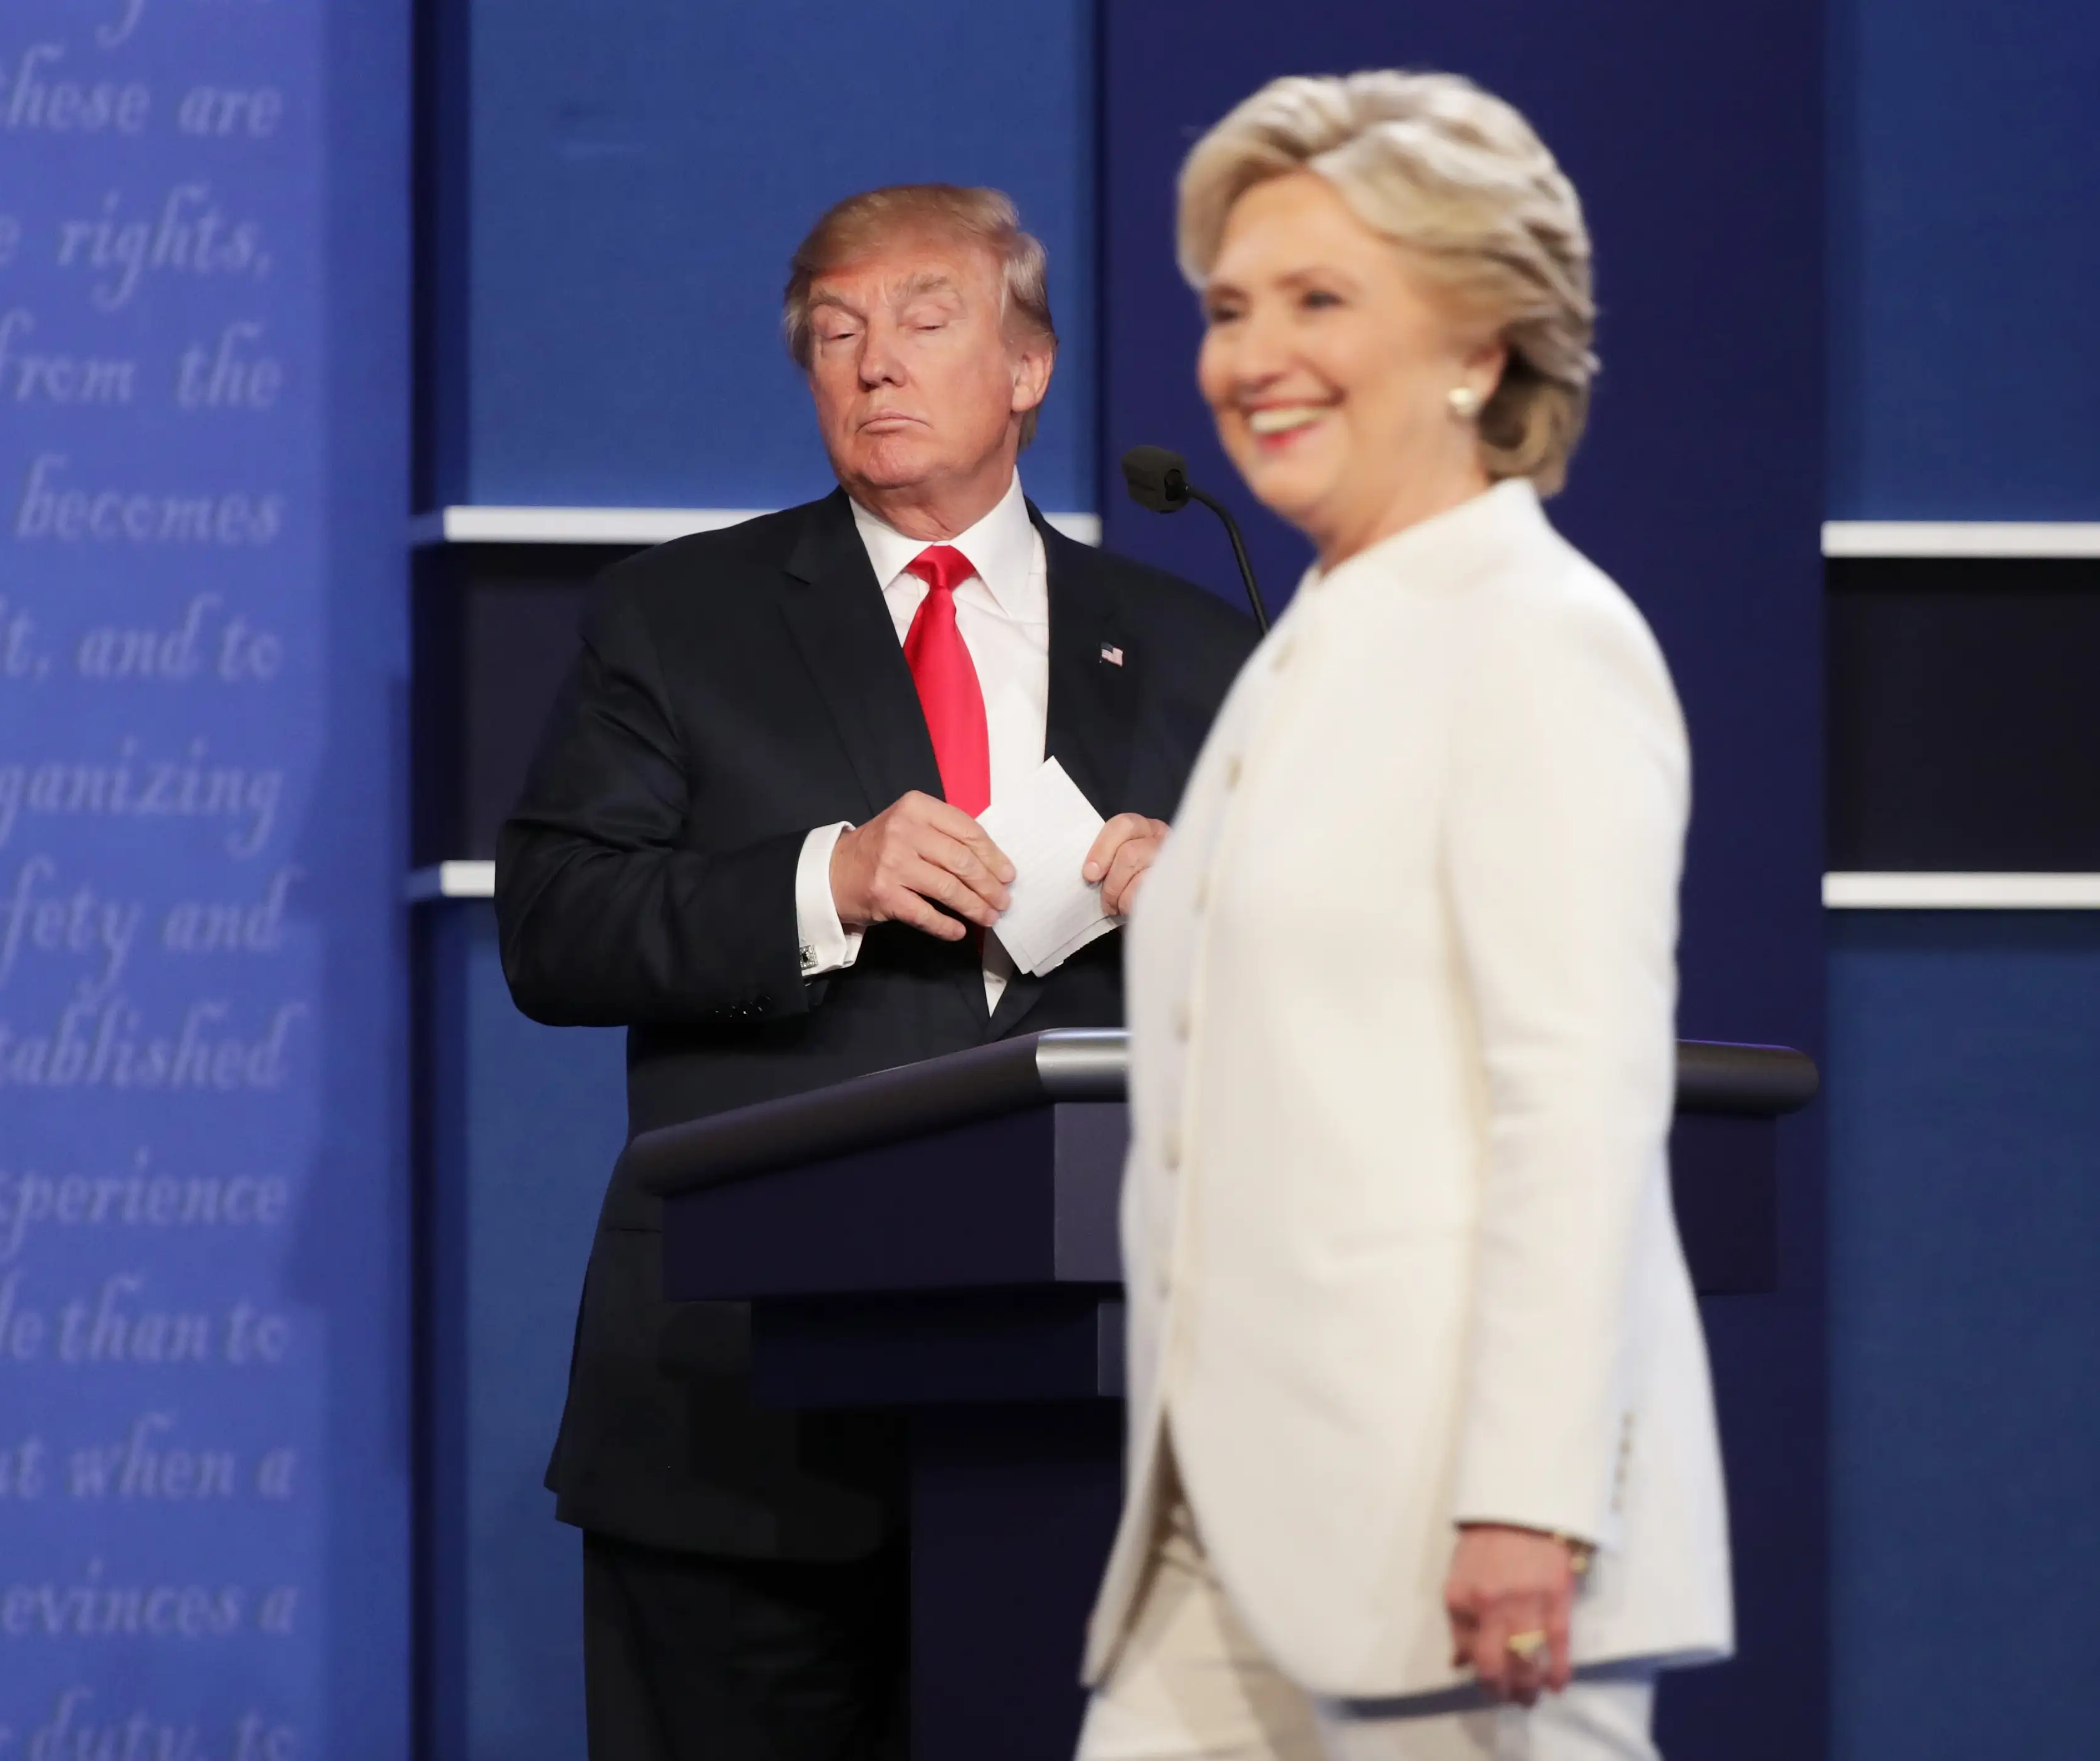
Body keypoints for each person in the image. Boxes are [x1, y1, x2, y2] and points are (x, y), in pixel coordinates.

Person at [499, 184, 1260, 1760]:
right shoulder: (679, 617)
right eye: (835, 335)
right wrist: (819, 879)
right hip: (741, 1406)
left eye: (924, 319)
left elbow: (1337, 1002)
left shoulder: (1197, 644)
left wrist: (1227, 911)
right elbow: (556, 924)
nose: (873, 365)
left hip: (1088, 1423)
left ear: (1030, 365)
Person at [1076, 73, 1730, 1761]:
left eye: (1318, 300)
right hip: (1219, 1535)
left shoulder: (1530, 636)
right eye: (1228, 309)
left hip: (1453, 1551)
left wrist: (1523, 1500)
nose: (1249, 356)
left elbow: (1572, 1104)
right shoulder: (1311, 639)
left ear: (1480, 345)